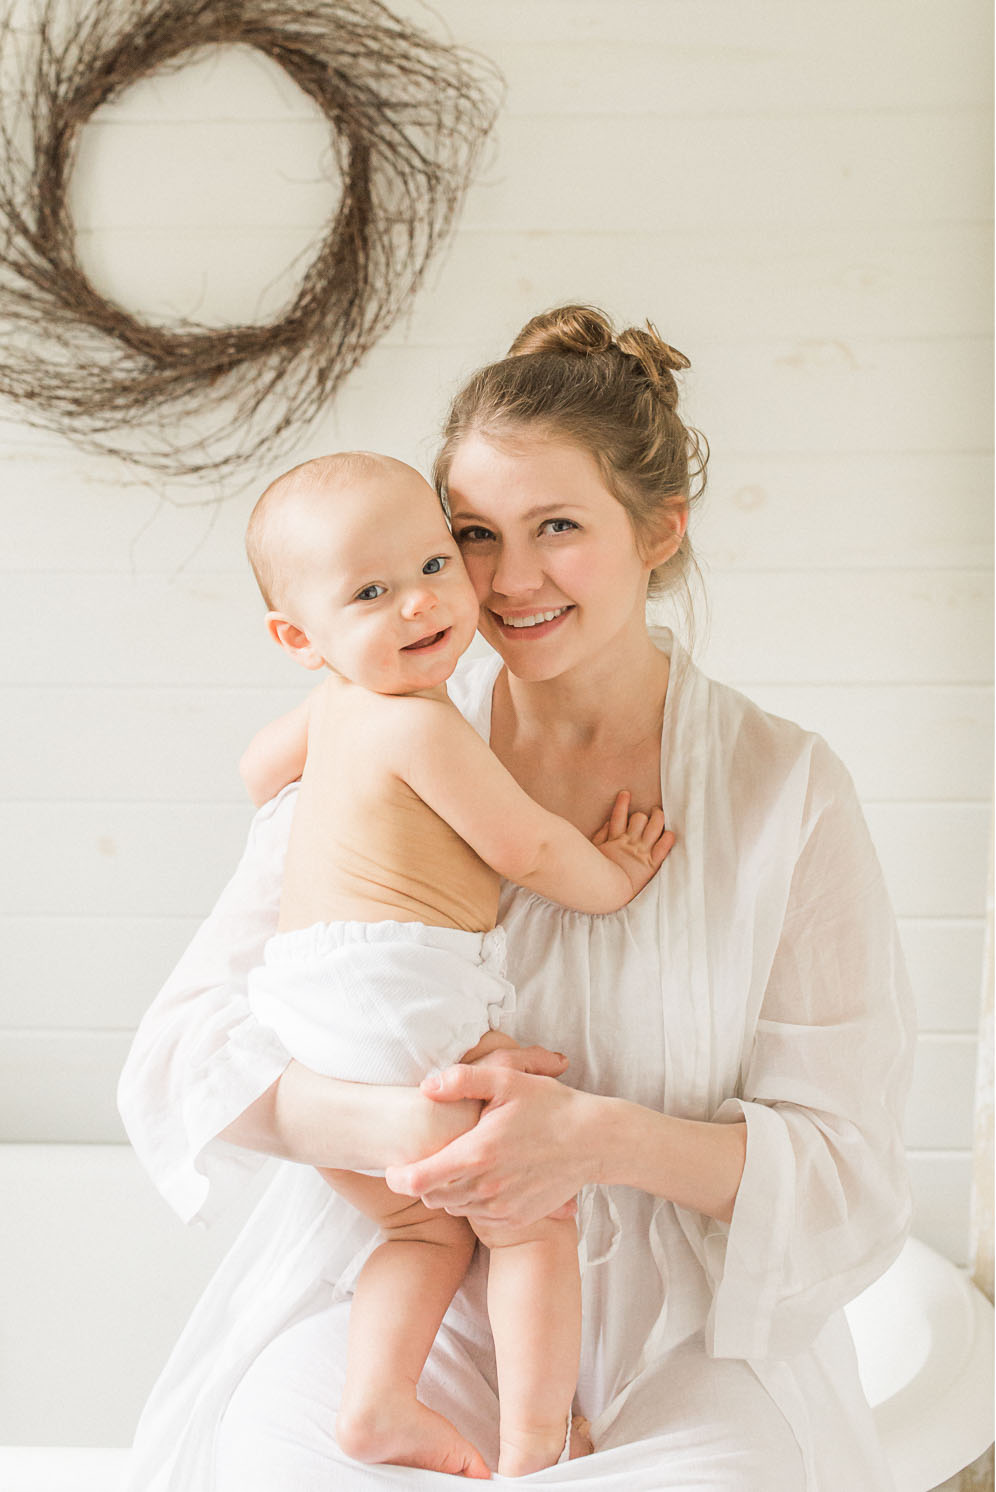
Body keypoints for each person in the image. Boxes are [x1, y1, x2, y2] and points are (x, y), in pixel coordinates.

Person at [117, 305, 915, 1490]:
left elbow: (846, 1165)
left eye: (558, 527)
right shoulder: (378, 739)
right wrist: (415, 1137)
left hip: (682, 1332)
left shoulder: (784, 791)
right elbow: (184, 1055)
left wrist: (589, 1140)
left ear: (658, 531)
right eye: (476, 533)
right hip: (418, 1288)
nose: (509, 579)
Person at [235, 450, 675, 1477]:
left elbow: (258, 771)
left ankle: (379, 1405)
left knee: (424, 1231)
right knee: (531, 1219)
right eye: (370, 592)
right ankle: (537, 1443)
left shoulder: (339, 700)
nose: (419, 604)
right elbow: (521, 846)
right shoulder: (420, 723)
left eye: (434, 564)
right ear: (299, 635)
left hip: (307, 998)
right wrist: (609, 876)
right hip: (395, 990)